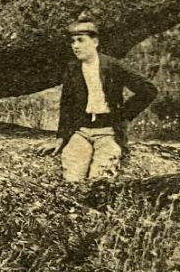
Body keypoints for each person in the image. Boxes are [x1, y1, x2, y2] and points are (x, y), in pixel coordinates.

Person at [52, 17, 158, 182]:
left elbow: (149, 90)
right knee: (72, 178)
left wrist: (122, 115)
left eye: (81, 40)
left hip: (108, 132)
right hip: (81, 132)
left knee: (100, 180)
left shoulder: (112, 66)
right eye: (73, 41)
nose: (75, 46)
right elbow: (67, 104)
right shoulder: (73, 68)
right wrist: (61, 137)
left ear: (95, 42)